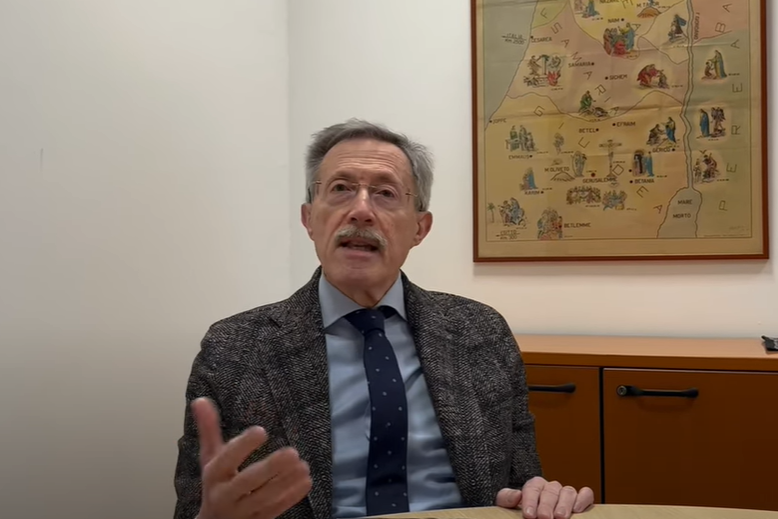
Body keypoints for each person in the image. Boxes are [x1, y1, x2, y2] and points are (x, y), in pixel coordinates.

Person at [172, 119, 595, 519]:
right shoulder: (235, 348)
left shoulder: (481, 332)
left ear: (420, 228)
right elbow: (196, 505)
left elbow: (522, 482)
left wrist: (540, 494)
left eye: (386, 193)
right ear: (309, 219)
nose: (361, 210)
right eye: (340, 189)